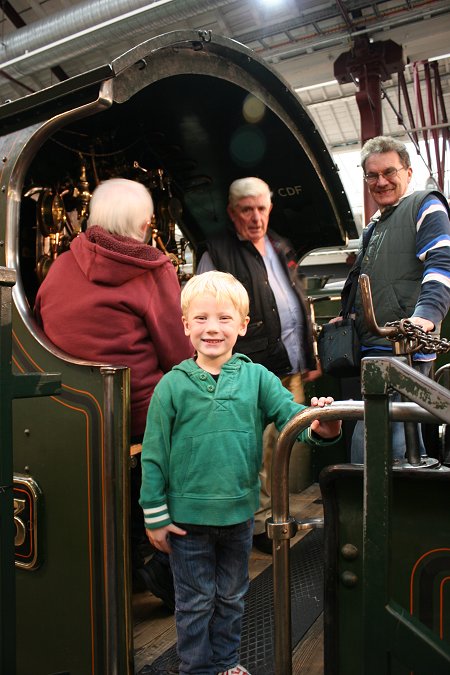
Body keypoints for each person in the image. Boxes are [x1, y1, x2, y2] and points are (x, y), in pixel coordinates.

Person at [139, 271, 341, 675]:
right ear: (184, 325)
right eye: (200, 319)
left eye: (224, 318)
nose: (212, 328)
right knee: (195, 602)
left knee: (231, 598)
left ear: (243, 325)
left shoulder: (258, 379)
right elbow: (154, 456)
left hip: (238, 518)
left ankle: (226, 661)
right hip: (186, 523)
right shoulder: (171, 387)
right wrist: (155, 517)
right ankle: (196, 669)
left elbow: (292, 421)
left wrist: (322, 425)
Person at [35, 177, 193, 610]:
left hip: (74, 415)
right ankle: (167, 562)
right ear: (144, 222)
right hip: (142, 415)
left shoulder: (62, 265)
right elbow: (179, 353)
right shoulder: (152, 268)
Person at [196, 177, 321, 553]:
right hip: (249, 368)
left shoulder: (280, 246)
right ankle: (259, 527)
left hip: (289, 366)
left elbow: (297, 303)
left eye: (261, 208)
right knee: (257, 453)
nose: (255, 217)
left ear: (270, 209)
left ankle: (274, 517)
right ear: (233, 213)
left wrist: (309, 356)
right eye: (246, 210)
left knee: (283, 448)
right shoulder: (218, 251)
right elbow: (205, 307)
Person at [334, 136, 450, 463]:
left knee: (388, 442)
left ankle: (390, 508)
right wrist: (347, 316)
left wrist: (425, 316)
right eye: (372, 175)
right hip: (373, 349)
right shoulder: (374, 226)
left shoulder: (426, 205)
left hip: (406, 350)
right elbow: (369, 281)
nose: (381, 181)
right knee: (382, 437)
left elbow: (442, 264)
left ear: (408, 172)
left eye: (389, 172)